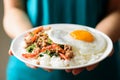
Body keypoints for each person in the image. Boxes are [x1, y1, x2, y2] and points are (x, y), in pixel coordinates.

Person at [3, 0, 120, 80]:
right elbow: (14, 9)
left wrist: (102, 40)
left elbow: (116, 10)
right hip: (28, 73)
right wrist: (26, 39)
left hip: (99, 72)